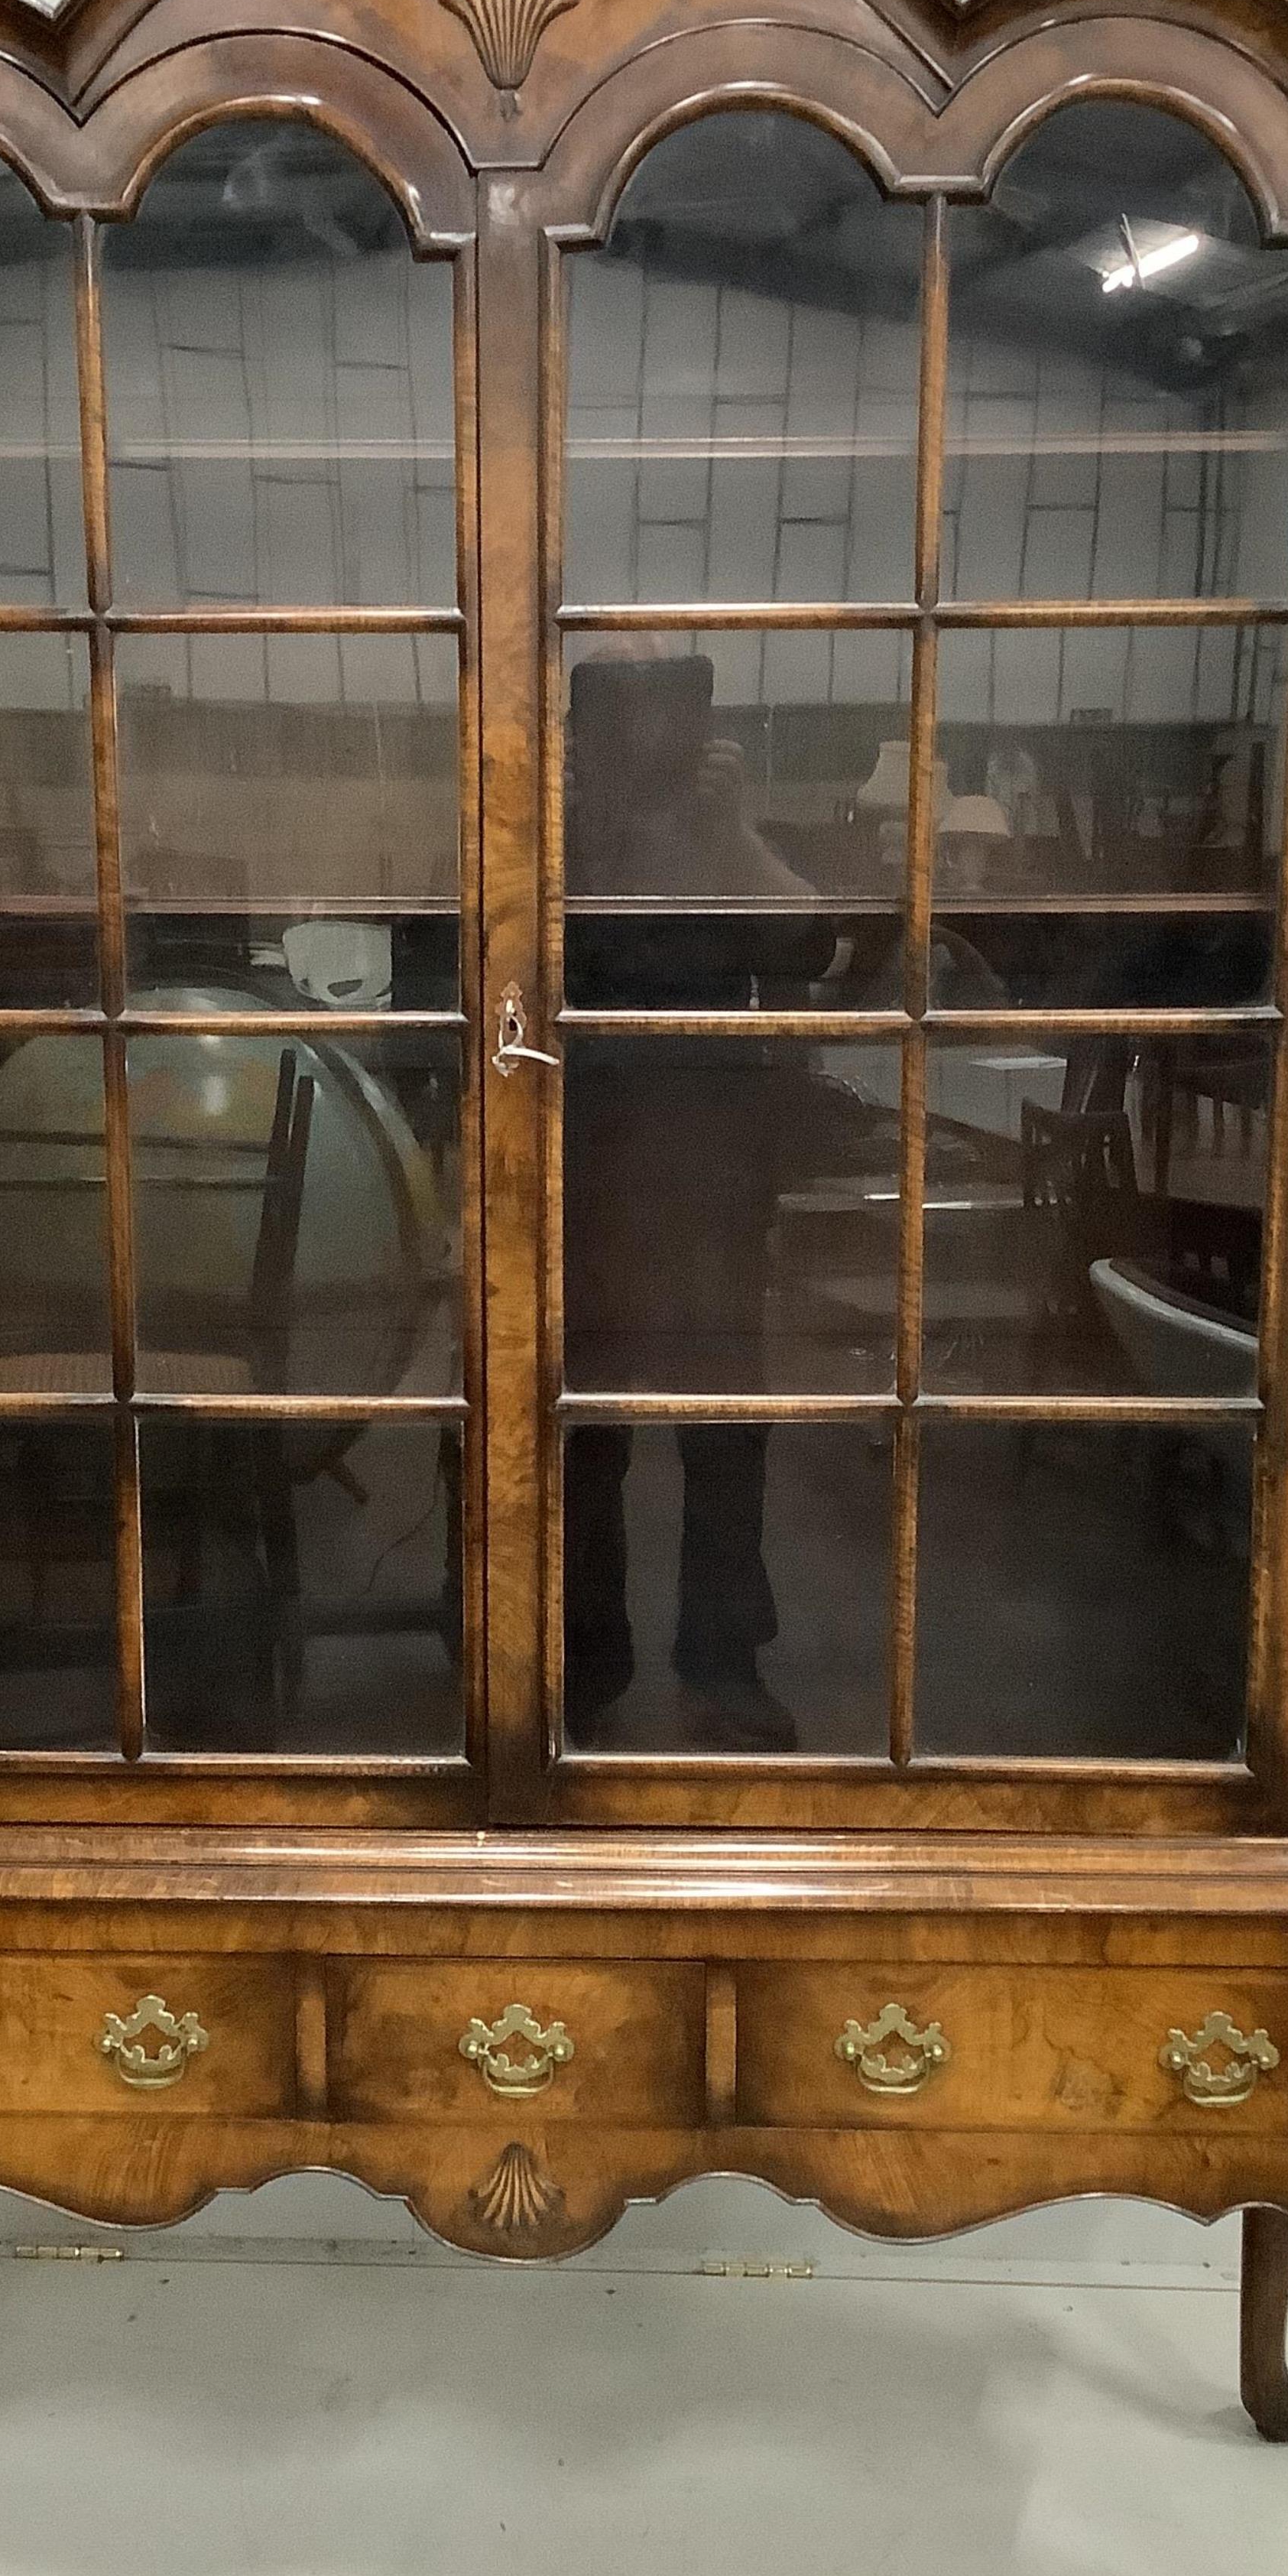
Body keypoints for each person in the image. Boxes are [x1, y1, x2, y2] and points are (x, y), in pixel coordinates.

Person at [560, 648, 835, 1752]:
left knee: (725, 1419)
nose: (645, 750)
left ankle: (722, 1663)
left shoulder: (728, 840)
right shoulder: (561, 829)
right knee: (579, 1421)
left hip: (710, 1161)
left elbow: (812, 944)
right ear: (579, 740)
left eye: (665, 724)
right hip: (574, 1153)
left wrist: (730, 837)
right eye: (617, 727)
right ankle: (579, 1666)